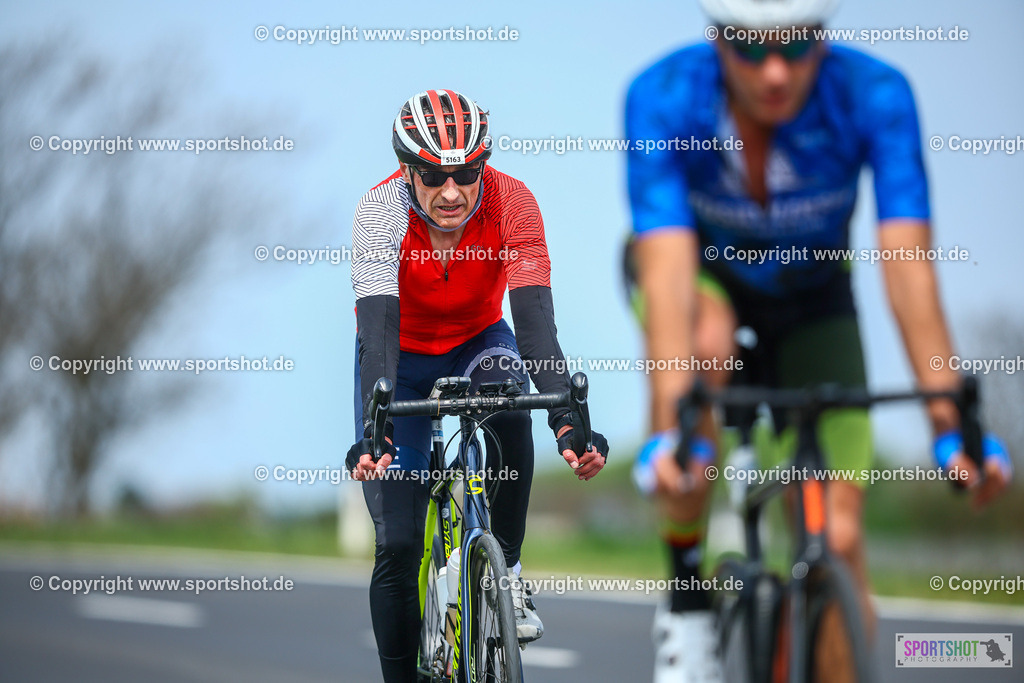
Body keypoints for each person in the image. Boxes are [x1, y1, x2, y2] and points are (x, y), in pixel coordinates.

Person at [624, 1, 1012, 679]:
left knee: (839, 532)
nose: (776, 71)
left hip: (813, 298)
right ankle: (687, 599)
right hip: (700, 281)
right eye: (749, 48)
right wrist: (669, 424)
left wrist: (951, 421)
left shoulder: (875, 94)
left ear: (823, 38)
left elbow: (906, 264)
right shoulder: (663, 96)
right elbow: (667, 272)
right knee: (701, 364)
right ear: (716, 41)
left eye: (798, 46)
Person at [348, 89, 610, 683]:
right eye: (434, 175)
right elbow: (379, 330)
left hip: (478, 341)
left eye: (466, 173)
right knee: (397, 544)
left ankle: (508, 576)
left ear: (483, 166)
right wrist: (376, 430)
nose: (451, 191)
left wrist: (568, 421)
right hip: (399, 352)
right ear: (407, 170)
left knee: (514, 412)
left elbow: (536, 325)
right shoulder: (379, 210)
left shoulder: (512, 201)